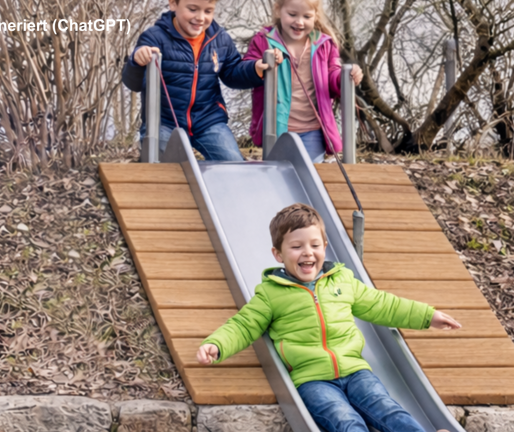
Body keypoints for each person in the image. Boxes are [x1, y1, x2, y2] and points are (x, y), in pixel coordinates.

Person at [197, 203, 460, 432]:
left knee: (387, 409)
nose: (307, 253)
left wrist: (428, 316)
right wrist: (217, 344)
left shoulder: (343, 280)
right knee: (345, 421)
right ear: (278, 254)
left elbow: (382, 305)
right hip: (312, 379)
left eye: (314, 245)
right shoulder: (270, 294)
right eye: (296, 246)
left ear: (325, 247)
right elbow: (244, 325)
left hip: (356, 370)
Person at [122, 0, 281, 160]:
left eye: (208, 11)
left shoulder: (220, 39)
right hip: (165, 122)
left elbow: (233, 73)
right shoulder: (154, 38)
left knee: (233, 163)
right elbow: (133, 83)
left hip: (208, 120)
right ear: (173, 4)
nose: (200, 17)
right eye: (192, 9)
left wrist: (256, 69)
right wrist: (137, 61)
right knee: (162, 166)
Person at [244, 0, 363, 162]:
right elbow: (244, 70)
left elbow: (332, 76)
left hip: (312, 130)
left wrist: (345, 77)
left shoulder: (324, 44)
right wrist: (257, 66)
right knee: (279, 175)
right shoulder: (263, 40)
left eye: (307, 16)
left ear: (315, 16)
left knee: (309, 175)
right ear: (278, 10)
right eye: (292, 14)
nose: (299, 22)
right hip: (276, 128)